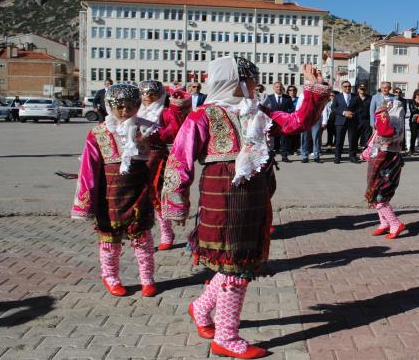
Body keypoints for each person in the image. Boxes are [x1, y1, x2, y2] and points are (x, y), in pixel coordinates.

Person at [161, 57, 329, 359]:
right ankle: (225, 337)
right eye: (251, 80)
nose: (256, 86)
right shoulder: (203, 115)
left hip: (253, 197)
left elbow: (297, 122)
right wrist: (175, 202)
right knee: (234, 264)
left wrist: (312, 88)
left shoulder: (256, 112)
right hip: (221, 196)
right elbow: (180, 159)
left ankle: (200, 309)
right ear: (235, 81)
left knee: (236, 262)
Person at [71, 84, 161, 298]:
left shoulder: (147, 128)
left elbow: (160, 155)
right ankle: (110, 276)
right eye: (119, 106)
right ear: (109, 106)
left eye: (130, 107)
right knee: (110, 240)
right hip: (109, 195)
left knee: (143, 239)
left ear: (137, 106)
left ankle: (147, 278)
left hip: (138, 190)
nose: (124, 112)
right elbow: (88, 169)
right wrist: (86, 202)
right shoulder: (98, 134)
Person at [138, 80, 185, 251]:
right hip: (137, 159)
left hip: (158, 157)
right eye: (145, 93)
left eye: (152, 93)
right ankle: (142, 234)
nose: (148, 97)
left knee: (158, 195)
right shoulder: (134, 110)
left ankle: (166, 232)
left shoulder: (165, 113)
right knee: (138, 196)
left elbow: (174, 132)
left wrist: (152, 134)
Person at [364, 99, 407, 239]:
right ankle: (384, 223)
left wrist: (381, 113)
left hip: (387, 159)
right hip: (379, 158)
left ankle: (395, 223)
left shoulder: (395, 125)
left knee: (380, 192)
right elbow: (378, 134)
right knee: (374, 190)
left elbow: (385, 132)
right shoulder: (389, 121)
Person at [263, 82, 294, 162]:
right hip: (272, 122)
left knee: (284, 140)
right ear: (273, 88)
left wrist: (286, 114)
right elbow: (265, 110)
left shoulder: (287, 98)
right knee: (271, 140)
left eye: (280, 87)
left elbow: (292, 110)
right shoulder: (269, 98)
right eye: (277, 87)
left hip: (284, 123)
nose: (279, 88)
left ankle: (284, 157)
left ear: (282, 88)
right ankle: (270, 157)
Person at [300, 82, 328, 163]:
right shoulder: (303, 95)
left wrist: (324, 121)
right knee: (304, 138)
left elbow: (324, 108)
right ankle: (304, 156)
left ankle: (317, 156)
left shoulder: (320, 95)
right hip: (305, 119)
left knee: (316, 138)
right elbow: (298, 107)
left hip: (316, 118)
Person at [332, 81, 360, 163]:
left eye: (349, 86)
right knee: (339, 140)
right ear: (342, 87)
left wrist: (353, 114)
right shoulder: (337, 97)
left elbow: (360, 108)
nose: (347, 88)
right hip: (340, 121)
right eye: (345, 86)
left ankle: (352, 156)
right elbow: (333, 108)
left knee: (353, 140)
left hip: (352, 121)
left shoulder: (356, 97)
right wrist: (344, 113)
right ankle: (337, 157)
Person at [287, 85, 300, 155]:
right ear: (288, 91)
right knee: (288, 135)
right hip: (287, 119)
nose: (292, 92)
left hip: (296, 119)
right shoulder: (286, 99)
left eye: (294, 90)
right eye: (290, 90)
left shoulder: (299, 99)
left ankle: (295, 149)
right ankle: (288, 149)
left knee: (296, 136)